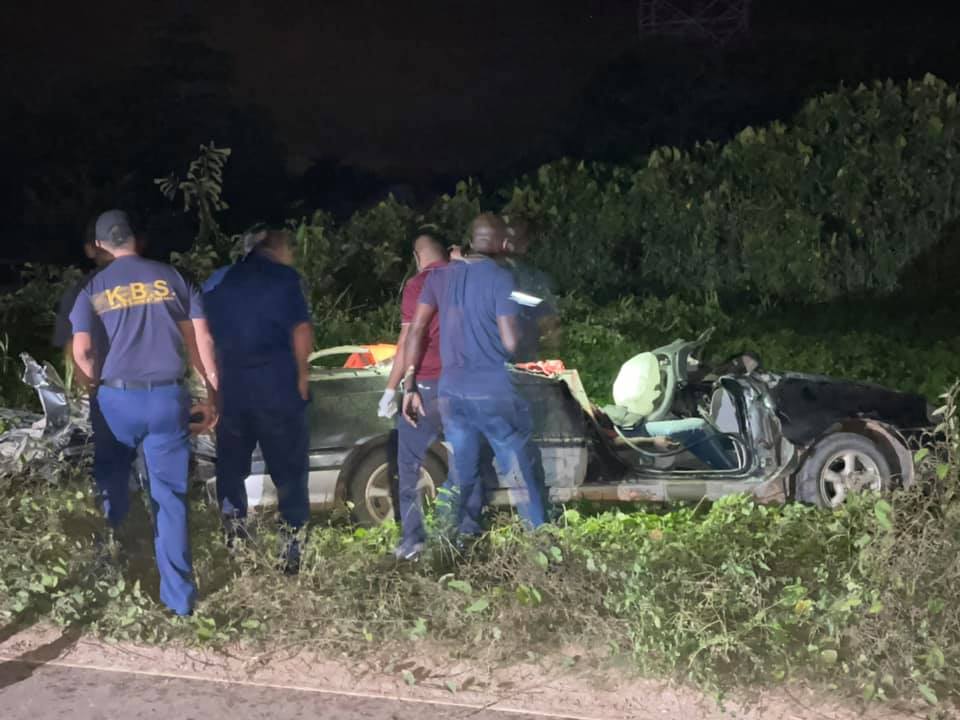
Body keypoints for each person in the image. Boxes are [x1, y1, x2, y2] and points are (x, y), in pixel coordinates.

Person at [70, 209, 219, 617]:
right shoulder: (174, 278)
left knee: (112, 488)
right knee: (169, 499)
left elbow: (83, 351)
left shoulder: (92, 287)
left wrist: (94, 389)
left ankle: (113, 580)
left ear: (101, 245)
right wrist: (211, 396)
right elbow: (201, 340)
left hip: (117, 400)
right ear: (136, 238)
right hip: (167, 399)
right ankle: (179, 598)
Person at [402, 214, 547, 538]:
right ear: (497, 242)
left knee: (461, 475)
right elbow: (510, 342)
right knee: (522, 474)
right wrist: (529, 331)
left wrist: (409, 382)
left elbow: (418, 329)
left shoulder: (439, 278)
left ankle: (440, 544)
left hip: (452, 393)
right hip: (492, 392)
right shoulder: (500, 278)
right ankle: (541, 546)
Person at [202, 224, 313, 574]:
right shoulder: (285, 278)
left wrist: (212, 389)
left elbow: (204, 336)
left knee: (231, 468)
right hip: (276, 385)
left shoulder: (219, 282)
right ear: (275, 247)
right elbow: (301, 329)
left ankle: (236, 542)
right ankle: (292, 547)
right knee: (290, 470)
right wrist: (303, 376)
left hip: (233, 389)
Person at [377, 234, 448, 560]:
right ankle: (456, 535)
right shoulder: (465, 279)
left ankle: (414, 541)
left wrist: (395, 388)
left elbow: (409, 339)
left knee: (408, 466)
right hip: (465, 385)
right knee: (468, 461)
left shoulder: (419, 284)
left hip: (427, 385)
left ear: (418, 256)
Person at [501, 218, 561, 362]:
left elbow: (550, 321)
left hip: (523, 355)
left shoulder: (534, 276)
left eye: (520, 237)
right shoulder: (488, 271)